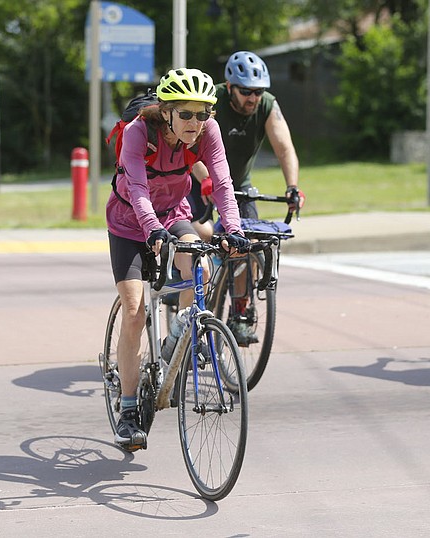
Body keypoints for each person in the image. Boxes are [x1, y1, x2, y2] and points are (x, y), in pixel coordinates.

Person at [107, 68, 249, 451]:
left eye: (202, 114)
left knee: (198, 268)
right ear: (166, 111)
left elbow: (221, 182)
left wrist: (232, 229)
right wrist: (151, 229)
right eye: (186, 114)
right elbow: (136, 187)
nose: (195, 122)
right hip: (129, 223)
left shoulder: (207, 133)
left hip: (173, 214)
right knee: (135, 311)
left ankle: (178, 338)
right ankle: (129, 409)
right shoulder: (140, 132)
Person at [189, 50, 304, 345]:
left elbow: (285, 148)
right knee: (198, 237)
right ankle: (188, 300)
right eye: (246, 91)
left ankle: (240, 312)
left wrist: (292, 187)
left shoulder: (267, 106)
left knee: (249, 242)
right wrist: (206, 180)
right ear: (230, 87)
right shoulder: (211, 100)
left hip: (238, 185)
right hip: (197, 179)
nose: (253, 97)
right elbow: (189, 147)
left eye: (258, 91)